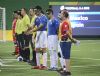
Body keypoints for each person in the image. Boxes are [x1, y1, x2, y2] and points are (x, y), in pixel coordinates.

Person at [58, 9, 79, 75]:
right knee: (65, 56)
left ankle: (67, 71)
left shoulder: (65, 22)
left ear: (64, 15)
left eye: (61, 13)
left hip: (65, 42)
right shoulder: (65, 21)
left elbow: (66, 33)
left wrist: (72, 40)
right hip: (65, 41)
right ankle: (66, 70)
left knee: (66, 56)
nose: (60, 15)